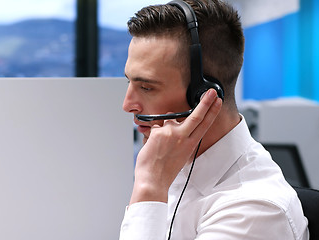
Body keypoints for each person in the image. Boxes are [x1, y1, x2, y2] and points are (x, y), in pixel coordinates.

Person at [120, 0, 309, 239]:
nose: (127, 105)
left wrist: (149, 189)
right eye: (130, 82)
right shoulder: (175, 168)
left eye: (146, 87)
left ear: (204, 97)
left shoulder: (254, 211)